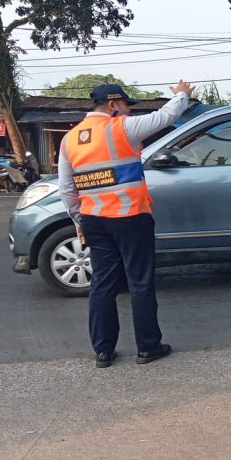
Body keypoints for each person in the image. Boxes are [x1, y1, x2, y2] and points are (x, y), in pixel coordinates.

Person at [58, 80, 195, 368]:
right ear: (112, 105)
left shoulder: (69, 139)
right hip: (131, 216)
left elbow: (67, 189)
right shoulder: (121, 128)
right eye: (125, 105)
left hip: (95, 220)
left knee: (102, 284)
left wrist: (79, 219)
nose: (128, 111)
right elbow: (165, 116)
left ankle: (103, 351)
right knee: (140, 281)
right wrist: (182, 94)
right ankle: (148, 347)